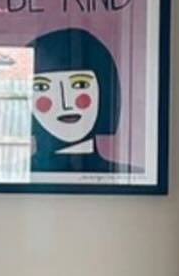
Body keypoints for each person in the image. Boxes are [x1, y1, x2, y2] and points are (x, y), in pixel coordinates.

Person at [28, 26, 132, 174]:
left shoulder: (126, 175)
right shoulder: (2, 175)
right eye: (42, 87)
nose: (66, 104)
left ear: (103, 91)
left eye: (80, 84)